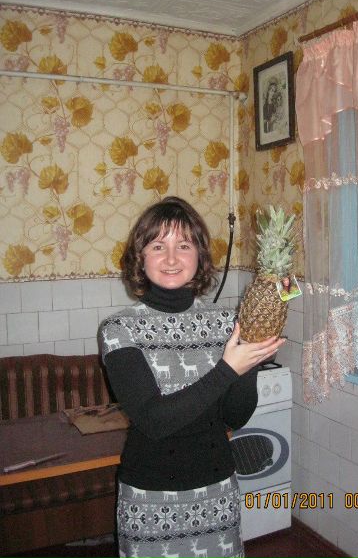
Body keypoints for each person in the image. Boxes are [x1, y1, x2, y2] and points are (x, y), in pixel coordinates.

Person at [99, 196, 285, 558]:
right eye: (158, 246)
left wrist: (249, 364)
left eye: (184, 245)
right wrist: (228, 369)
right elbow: (154, 420)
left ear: (199, 254)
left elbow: (234, 417)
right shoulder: (119, 329)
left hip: (217, 489)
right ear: (140, 257)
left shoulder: (225, 323)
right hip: (151, 498)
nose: (171, 258)